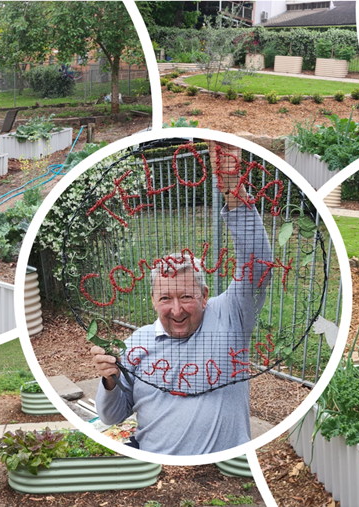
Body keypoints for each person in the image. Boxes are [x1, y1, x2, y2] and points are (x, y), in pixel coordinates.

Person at [91, 142, 273, 455]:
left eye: (187, 296)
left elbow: (259, 265)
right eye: (165, 298)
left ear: (205, 295)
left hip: (224, 471)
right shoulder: (138, 343)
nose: (176, 310)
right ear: (152, 300)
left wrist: (232, 188)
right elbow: (112, 415)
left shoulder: (230, 315)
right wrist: (110, 380)